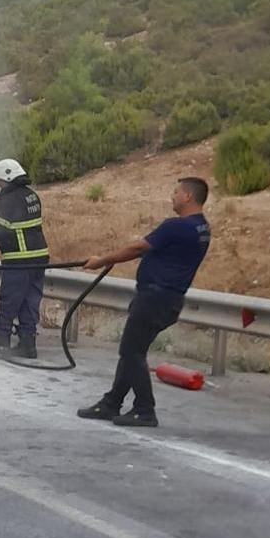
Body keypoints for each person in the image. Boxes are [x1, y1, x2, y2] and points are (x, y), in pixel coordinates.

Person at [77, 177, 211, 428]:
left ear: (188, 197)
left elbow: (138, 248)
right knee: (133, 351)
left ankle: (144, 409)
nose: (172, 196)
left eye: (175, 192)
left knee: (131, 351)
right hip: (168, 299)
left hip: (155, 298)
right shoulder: (202, 228)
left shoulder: (177, 226)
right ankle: (111, 402)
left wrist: (101, 260)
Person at [0, 158, 49, 359]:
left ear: (7, 178)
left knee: (9, 301)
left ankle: (0, 343)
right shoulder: (31, 196)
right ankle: (28, 345)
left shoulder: (8, 199)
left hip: (20, 260)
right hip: (39, 258)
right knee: (30, 301)